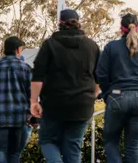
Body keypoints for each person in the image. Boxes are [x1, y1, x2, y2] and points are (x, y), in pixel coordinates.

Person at [31, 9, 101, 163]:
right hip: (82, 106)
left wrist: (34, 101)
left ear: (60, 24)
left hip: (54, 105)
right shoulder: (92, 46)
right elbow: (100, 78)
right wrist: (92, 96)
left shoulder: (49, 45)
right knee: (73, 145)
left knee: (48, 141)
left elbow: (37, 77)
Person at [96, 14, 138, 163]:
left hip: (116, 96)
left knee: (111, 141)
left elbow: (101, 74)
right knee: (133, 145)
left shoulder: (111, 47)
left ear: (121, 29)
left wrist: (107, 93)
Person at [0, 36, 33, 163]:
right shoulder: (25, 68)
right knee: (14, 153)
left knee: (0, 150)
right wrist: (32, 116)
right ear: (17, 50)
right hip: (19, 118)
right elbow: (32, 96)